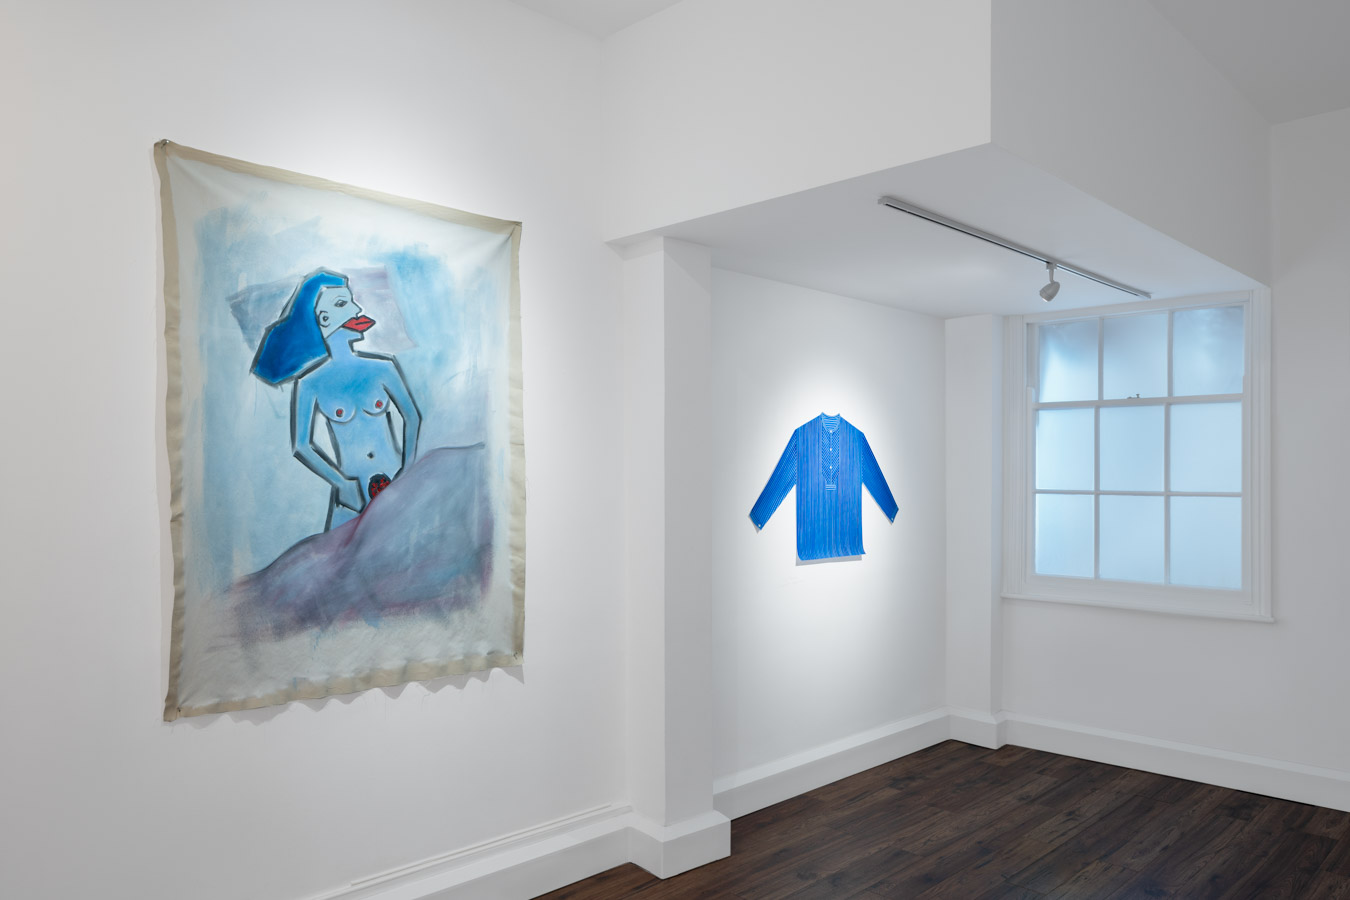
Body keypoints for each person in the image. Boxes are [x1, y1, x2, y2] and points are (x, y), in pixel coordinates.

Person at [251, 269, 421, 530]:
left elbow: (412, 416)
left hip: (396, 482)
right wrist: (341, 483)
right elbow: (301, 445)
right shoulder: (309, 383)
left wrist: (407, 470)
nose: (356, 309)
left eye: (352, 301)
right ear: (324, 319)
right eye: (343, 303)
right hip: (352, 495)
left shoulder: (384, 368)